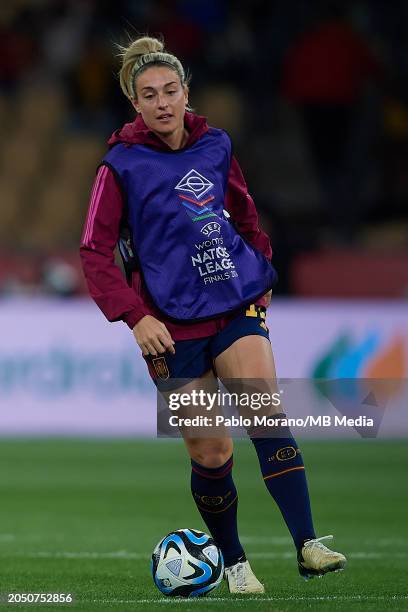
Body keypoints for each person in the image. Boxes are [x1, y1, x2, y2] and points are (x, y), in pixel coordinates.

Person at [80, 35, 346, 594]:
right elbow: (92, 252)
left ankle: (308, 544)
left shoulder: (216, 145)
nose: (162, 103)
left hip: (231, 304)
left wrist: (261, 272)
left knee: (265, 412)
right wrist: (134, 317)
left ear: (186, 93)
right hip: (168, 328)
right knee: (212, 448)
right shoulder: (120, 166)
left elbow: (246, 215)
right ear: (135, 103)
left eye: (170, 91)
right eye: (148, 94)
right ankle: (235, 563)